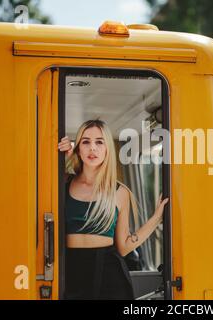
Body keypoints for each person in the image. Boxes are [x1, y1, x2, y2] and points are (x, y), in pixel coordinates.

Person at [58, 118, 169, 300]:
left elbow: (123, 247)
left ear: (108, 149)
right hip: (70, 271)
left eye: (99, 142)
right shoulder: (62, 182)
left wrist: (156, 219)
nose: (92, 148)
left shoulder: (120, 192)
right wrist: (61, 155)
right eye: (85, 142)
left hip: (109, 275)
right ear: (78, 148)